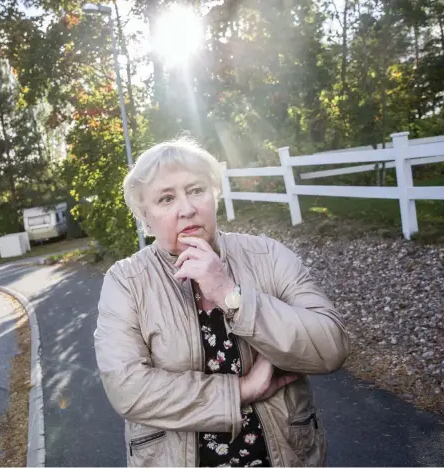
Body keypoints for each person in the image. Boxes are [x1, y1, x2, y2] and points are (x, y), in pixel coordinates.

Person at [94, 137, 350, 467]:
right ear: (145, 216)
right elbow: (127, 388)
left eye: (196, 190)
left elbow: (332, 346)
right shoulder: (126, 282)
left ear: (214, 194)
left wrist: (231, 294)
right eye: (167, 198)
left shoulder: (267, 255)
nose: (187, 208)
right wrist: (241, 390)